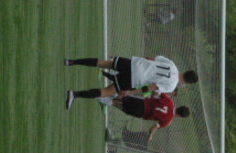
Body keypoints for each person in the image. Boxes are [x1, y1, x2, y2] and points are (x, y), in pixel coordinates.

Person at [63, 56, 198, 110]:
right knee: (106, 92)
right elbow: (151, 87)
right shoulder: (172, 85)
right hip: (135, 78)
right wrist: (131, 92)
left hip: (134, 64)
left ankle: (71, 61)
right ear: (187, 83)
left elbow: (151, 58)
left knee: (103, 63)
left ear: (186, 71)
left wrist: (138, 62)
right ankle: (74, 94)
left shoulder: (172, 65)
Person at [104, 93, 190, 142]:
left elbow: (156, 92)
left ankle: (105, 93)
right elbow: (153, 128)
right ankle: (104, 99)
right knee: (120, 106)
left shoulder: (169, 101)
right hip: (141, 112)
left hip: (142, 101)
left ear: (179, 107)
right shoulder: (168, 121)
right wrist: (150, 135)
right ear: (179, 116)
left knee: (122, 98)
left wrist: (152, 99)